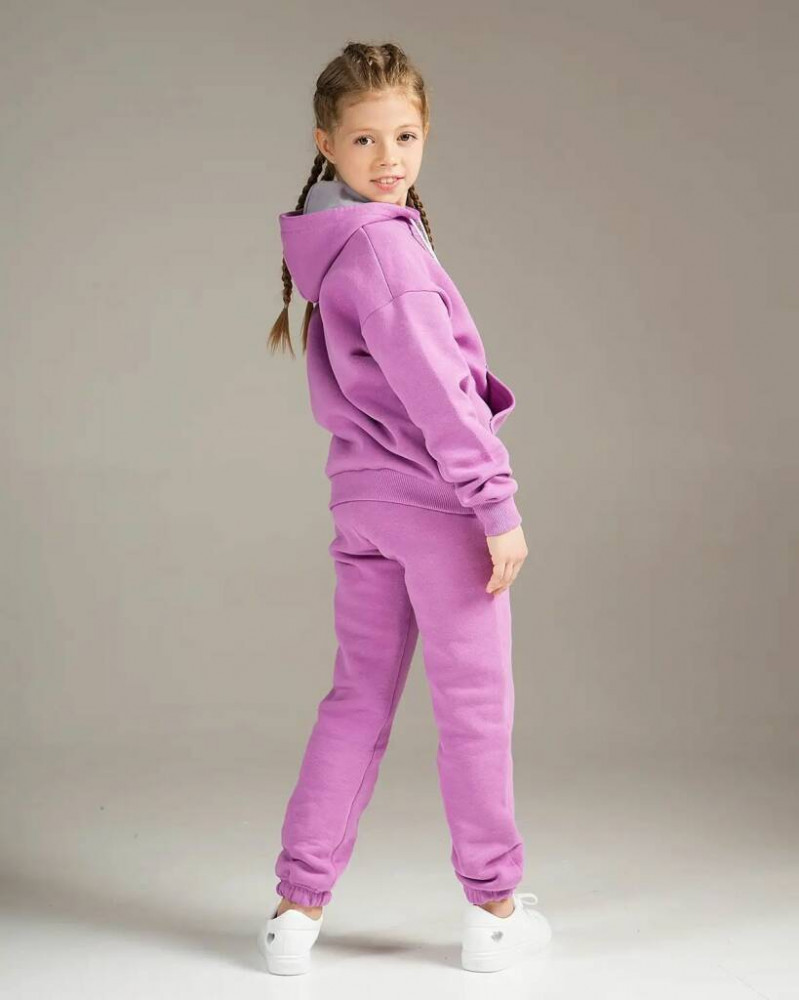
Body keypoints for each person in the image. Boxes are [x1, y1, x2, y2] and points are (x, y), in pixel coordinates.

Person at [256, 41, 552, 976]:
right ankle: (494, 909)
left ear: (425, 133)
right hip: (437, 506)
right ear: (325, 143)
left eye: (406, 136)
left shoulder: (334, 239)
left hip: (363, 504)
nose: (389, 158)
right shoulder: (386, 249)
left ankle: (294, 913)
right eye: (364, 139)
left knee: (355, 701)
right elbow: (437, 393)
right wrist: (495, 503)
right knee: (473, 709)